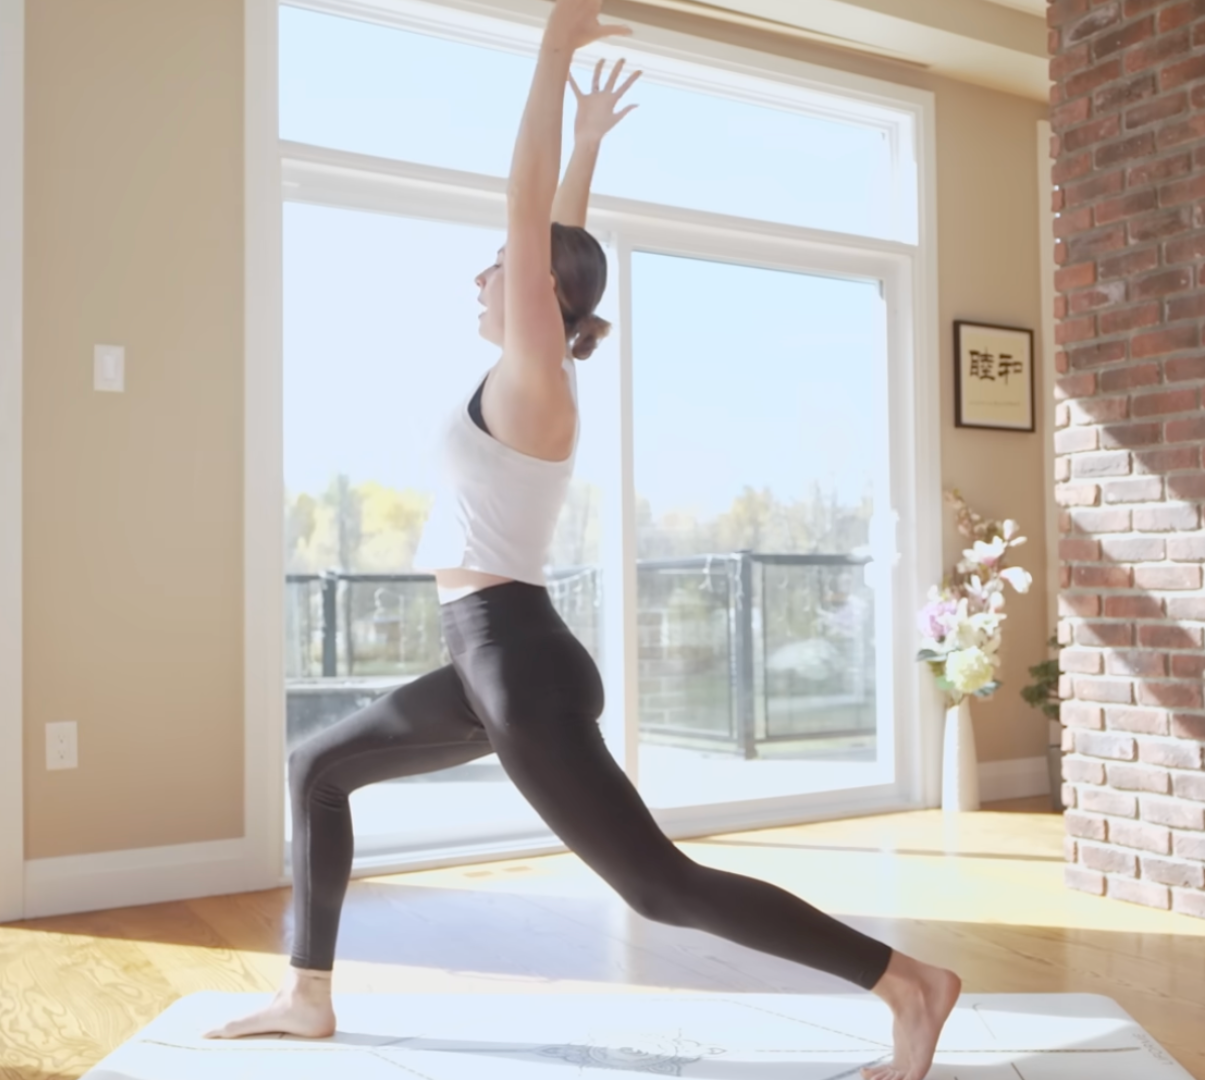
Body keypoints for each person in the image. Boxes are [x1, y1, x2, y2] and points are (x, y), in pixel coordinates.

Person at [209, 2, 960, 1076]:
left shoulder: (537, 376)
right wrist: (590, 142)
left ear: (540, 294)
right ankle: (306, 994)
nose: (483, 277)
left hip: (518, 665)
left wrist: (553, 53)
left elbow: (529, 224)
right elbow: (554, 235)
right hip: (490, 659)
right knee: (318, 768)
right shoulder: (531, 367)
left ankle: (906, 983)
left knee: (658, 888)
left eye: (499, 268)